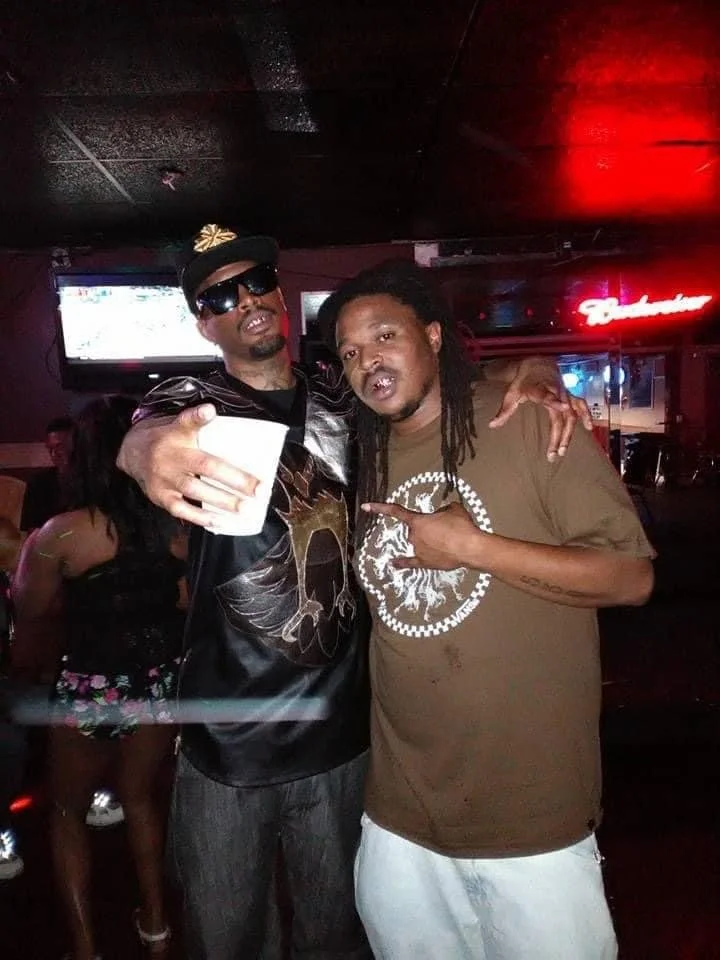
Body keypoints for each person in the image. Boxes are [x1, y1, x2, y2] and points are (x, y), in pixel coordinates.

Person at [116, 223, 591, 960]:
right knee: (225, 942)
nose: (246, 299)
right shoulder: (192, 400)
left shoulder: (345, 394)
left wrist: (535, 367)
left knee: (334, 937)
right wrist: (149, 452)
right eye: (220, 294)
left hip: (344, 738)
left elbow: (438, 387)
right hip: (228, 747)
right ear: (202, 319)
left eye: (257, 282)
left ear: (279, 292)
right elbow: (145, 435)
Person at [316, 260, 655, 960]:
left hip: (531, 823)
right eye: (349, 353)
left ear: (434, 336)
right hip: (399, 820)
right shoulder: (360, 453)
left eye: (384, 336)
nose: (367, 361)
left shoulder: (525, 420)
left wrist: (474, 549)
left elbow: (630, 579)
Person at [12, 395, 187, 960]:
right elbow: (188, 602)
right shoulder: (176, 524)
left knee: (65, 812)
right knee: (139, 800)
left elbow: (28, 615)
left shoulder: (61, 534)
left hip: (88, 690)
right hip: (156, 687)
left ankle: (86, 951)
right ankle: (156, 928)